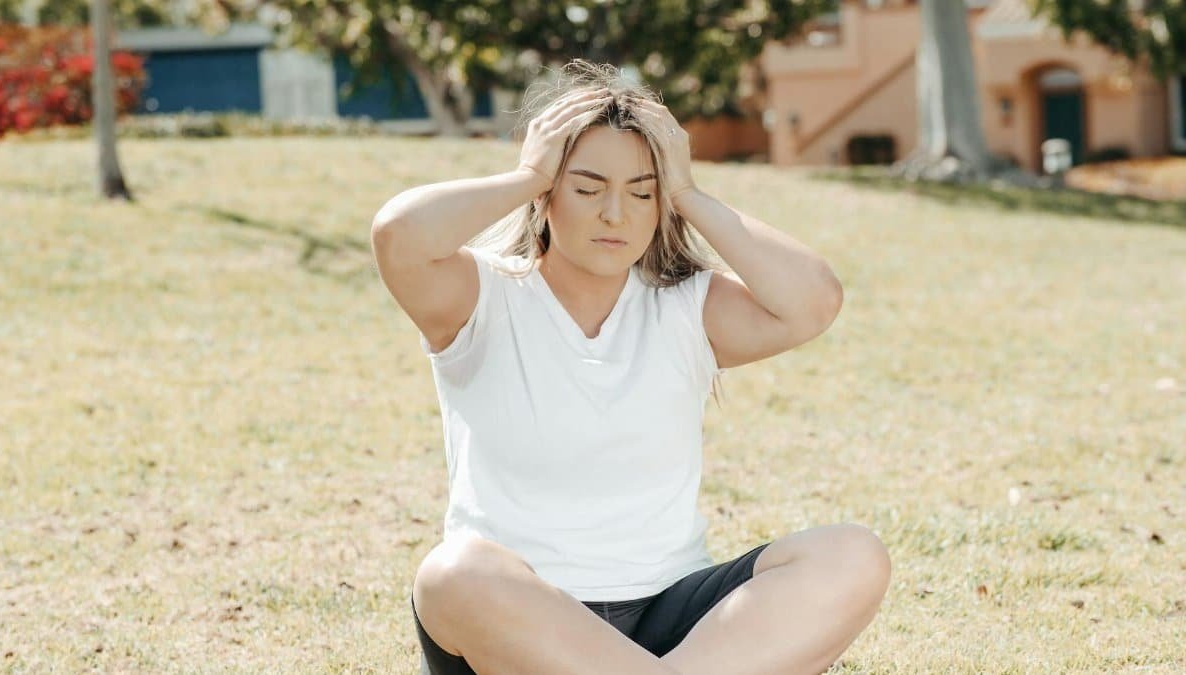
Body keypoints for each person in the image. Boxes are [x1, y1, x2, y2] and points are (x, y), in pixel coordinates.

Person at [370, 59, 890, 675]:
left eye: (642, 191)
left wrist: (690, 193)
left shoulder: (687, 307)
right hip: (522, 621)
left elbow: (815, 300)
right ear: (547, 197)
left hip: (674, 621)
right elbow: (398, 234)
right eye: (587, 188)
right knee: (452, 574)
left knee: (853, 555)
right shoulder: (479, 296)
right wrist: (527, 172)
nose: (615, 214)